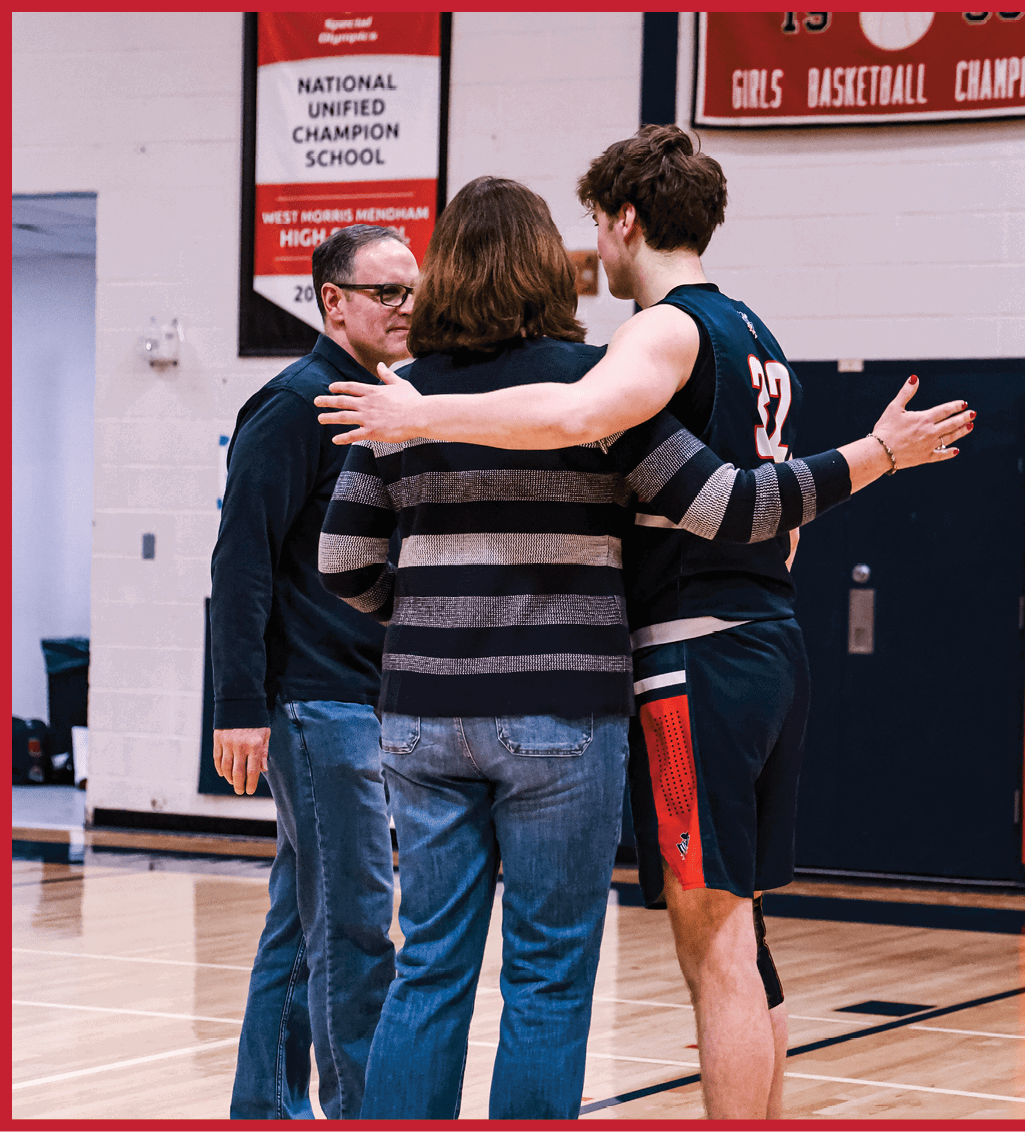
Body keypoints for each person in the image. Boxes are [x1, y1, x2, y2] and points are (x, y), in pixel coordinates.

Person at [314, 129, 973, 1120]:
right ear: (550, 269)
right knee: (550, 979)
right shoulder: (605, 385)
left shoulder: (401, 399)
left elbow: (343, 564)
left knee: (429, 972)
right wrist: (871, 455)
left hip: (426, 709)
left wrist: (425, 619)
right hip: (567, 707)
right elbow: (729, 506)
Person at [209, 223, 417, 1118]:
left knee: (302, 928)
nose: (408, 308)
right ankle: (362, 1108)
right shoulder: (294, 406)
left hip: (361, 700)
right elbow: (240, 562)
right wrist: (238, 707)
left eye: (414, 291)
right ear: (334, 300)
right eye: (388, 293)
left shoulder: (390, 401)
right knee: (358, 928)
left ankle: (263, 1108)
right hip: (313, 706)